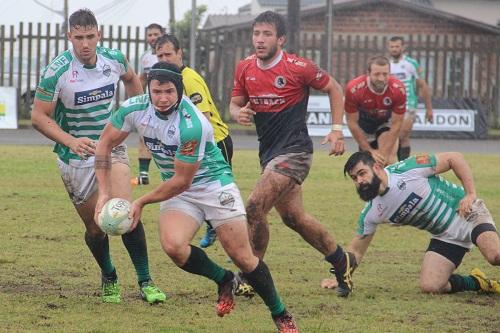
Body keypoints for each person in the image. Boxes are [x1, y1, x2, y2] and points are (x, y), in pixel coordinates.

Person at [94, 62, 299, 333]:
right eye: (157, 91)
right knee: (174, 246)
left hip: (213, 185)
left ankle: (280, 313)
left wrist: (141, 201)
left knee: (243, 257)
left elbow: (182, 180)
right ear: (148, 89)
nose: (163, 98)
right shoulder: (133, 109)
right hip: (179, 191)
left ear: (179, 90)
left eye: (169, 91)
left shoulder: (192, 123)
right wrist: (105, 193)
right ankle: (224, 280)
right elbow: (104, 144)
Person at [31, 8, 166, 304]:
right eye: (78, 38)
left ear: (99, 35)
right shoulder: (57, 71)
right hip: (74, 157)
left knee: (124, 213)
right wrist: (71, 140)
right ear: (70, 37)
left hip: (109, 146)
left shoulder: (114, 60)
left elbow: (132, 79)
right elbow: (39, 117)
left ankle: (146, 281)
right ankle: (108, 274)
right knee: (96, 227)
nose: (85, 44)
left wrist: (133, 114)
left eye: (90, 36)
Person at [230, 10, 354, 297]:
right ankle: (340, 259)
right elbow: (235, 104)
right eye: (256, 33)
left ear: (281, 39)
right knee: (294, 218)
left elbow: (335, 89)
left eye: (267, 34)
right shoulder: (245, 68)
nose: (259, 40)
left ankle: (251, 273)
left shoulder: (298, 67)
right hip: (269, 154)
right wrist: (240, 114)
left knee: (254, 206)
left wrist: (337, 129)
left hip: (295, 152)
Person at [322, 151, 500, 296]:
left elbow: (455, 158)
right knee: (431, 286)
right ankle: (479, 282)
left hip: (467, 214)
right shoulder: (371, 213)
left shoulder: (407, 169)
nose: (359, 181)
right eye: (354, 178)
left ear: (376, 168)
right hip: (445, 236)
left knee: (495, 256)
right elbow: (357, 251)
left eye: (362, 173)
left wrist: (470, 194)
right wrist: (341, 278)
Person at [154, 34, 233, 249]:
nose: (164, 58)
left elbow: (203, 118)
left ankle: (234, 237)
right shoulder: (167, 81)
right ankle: (212, 225)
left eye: (168, 54)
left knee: (220, 194)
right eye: (159, 55)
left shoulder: (188, 78)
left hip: (216, 142)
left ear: (180, 54)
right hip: (196, 145)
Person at [345, 56, 407, 166]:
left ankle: (394, 182)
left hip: (384, 123)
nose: (381, 78)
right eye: (377, 74)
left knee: (387, 161)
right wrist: (369, 150)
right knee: (367, 165)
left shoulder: (398, 89)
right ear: (368, 73)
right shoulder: (354, 89)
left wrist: (385, 152)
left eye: (385, 74)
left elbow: (397, 123)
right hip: (364, 126)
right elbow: (352, 122)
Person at [388, 36, 433, 161]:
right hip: (391, 105)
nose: (394, 49)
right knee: (394, 136)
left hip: (409, 104)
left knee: (403, 134)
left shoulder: (411, 64)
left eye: (397, 46)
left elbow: (423, 85)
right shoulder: (386, 64)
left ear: (403, 47)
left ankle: (402, 165)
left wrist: (429, 109)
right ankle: (398, 166)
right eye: (392, 47)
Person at [132, 23, 165, 186]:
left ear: (163, 34)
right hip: (151, 105)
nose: (152, 37)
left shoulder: (167, 54)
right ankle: (143, 175)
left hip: (168, 104)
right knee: (144, 136)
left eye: (155, 34)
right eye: (150, 34)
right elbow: (142, 79)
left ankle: (177, 173)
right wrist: (139, 101)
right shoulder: (145, 57)